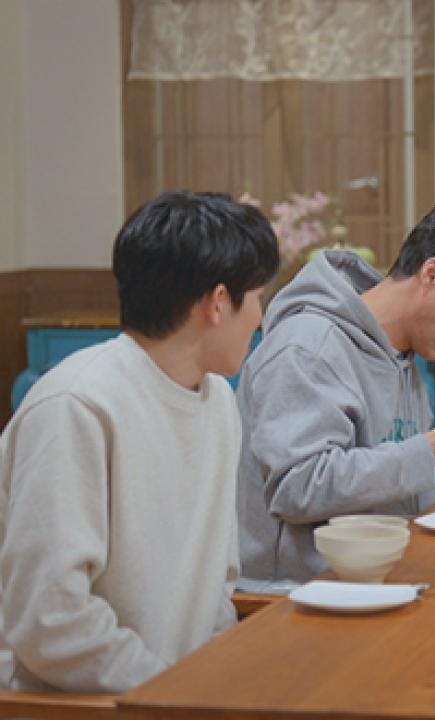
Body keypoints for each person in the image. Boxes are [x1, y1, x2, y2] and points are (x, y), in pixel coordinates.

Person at [0, 191, 280, 693]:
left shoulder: (218, 399)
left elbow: (217, 585)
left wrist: (216, 684)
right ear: (218, 303)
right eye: (258, 296)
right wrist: (175, 692)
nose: (260, 317)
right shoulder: (76, 405)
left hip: (176, 694)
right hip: (76, 705)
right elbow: (50, 620)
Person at [236, 199, 435, 583]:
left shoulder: (405, 355)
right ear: (432, 274)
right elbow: (297, 489)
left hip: (385, 577)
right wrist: (431, 451)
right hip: (298, 593)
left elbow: (407, 495)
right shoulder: (308, 347)